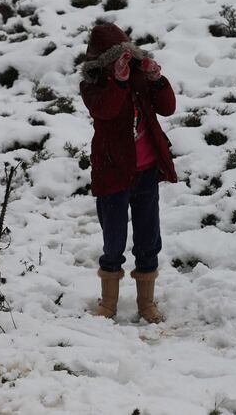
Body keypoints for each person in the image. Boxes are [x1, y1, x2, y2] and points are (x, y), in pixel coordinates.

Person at [79, 23, 178, 324]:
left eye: (126, 57)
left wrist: (157, 79)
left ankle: (146, 304)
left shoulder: (139, 80)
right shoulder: (93, 86)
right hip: (112, 173)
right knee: (114, 238)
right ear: (101, 63)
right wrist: (118, 83)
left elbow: (168, 107)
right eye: (115, 59)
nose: (122, 63)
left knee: (149, 237)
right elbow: (106, 111)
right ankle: (108, 303)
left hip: (146, 171)